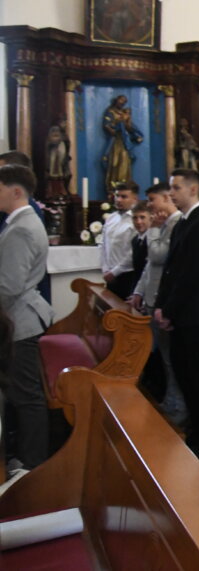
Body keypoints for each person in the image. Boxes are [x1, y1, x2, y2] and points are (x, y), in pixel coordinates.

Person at [154, 169, 199, 460]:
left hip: (194, 313)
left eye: (176, 188)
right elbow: (171, 269)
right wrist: (162, 306)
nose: (171, 193)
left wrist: (170, 310)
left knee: (198, 376)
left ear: (193, 189)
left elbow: (191, 275)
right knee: (184, 372)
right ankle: (197, 429)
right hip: (181, 312)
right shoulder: (185, 221)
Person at [0, 164, 54, 470]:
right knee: (20, 393)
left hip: (18, 321)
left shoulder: (21, 227)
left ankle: (33, 465)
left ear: (16, 191)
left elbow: (8, 286)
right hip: (19, 317)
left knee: (27, 396)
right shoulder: (21, 221)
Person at [130, 182, 186, 424]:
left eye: (153, 200)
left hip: (164, 300)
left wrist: (153, 229)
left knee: (171, 359)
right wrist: (139, 291)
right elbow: (149, 266)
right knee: (163, 358)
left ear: (166, 199)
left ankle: (177, 407)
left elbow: (157, 255)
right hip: (153, 297)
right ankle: (169, 401)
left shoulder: (175, 224)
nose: (150, 205)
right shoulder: (165, 224)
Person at [101, 181, 140, 299]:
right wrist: (105, 268)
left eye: (124, 197)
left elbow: (134, 251)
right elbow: (104, 245)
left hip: (127, 274)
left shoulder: (137, 220)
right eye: (117, 196)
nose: (118, 200)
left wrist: (115, 271)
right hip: (109, 273)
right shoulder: (111, 218)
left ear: (135, 199)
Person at [101, 95, 144, 193]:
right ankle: (113, 186)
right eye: (121, 100)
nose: (122, 103)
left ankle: (124, 185)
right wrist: (114, 130)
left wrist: (127, 124)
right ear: (116, 100)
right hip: (115, 141)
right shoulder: (111, 111)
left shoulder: (124, 114)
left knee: (124, 162)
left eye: (124, 102)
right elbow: (106, 125)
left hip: (124, 142)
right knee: (114, 162)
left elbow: (131, 128)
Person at [129, 201, 151, 295]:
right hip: (137, 286)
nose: (138, 222)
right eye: (135, 218)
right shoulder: (135, 240)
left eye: (142, 217)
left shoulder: (153, 239)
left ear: (150, 218)